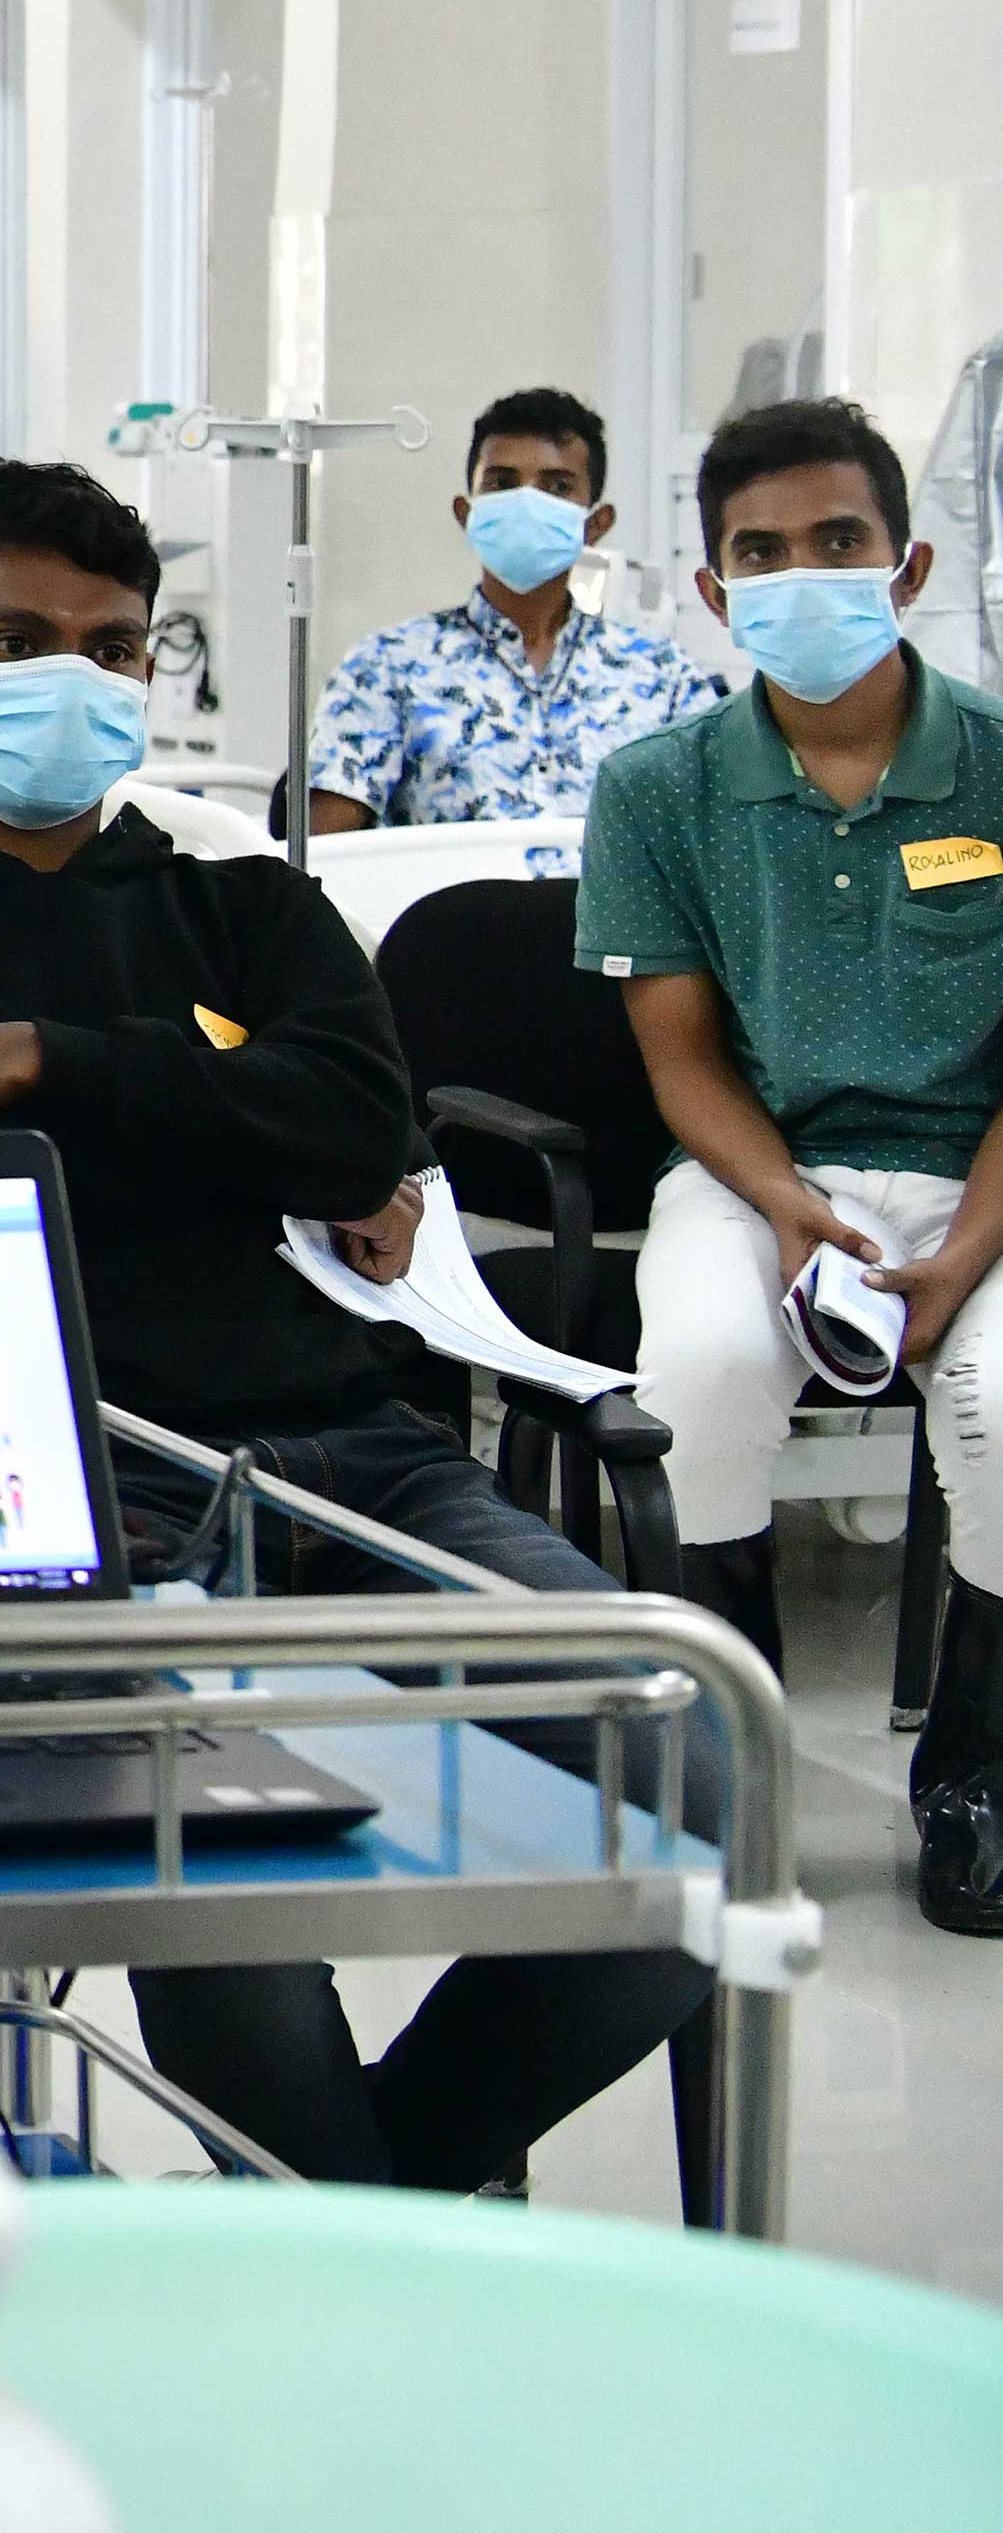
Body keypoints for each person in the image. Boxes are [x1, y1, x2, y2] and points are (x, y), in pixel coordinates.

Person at [0, 455, 717, 2189]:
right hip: (78, 1476)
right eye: (14, 640)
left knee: (695, 1769)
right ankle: (345, 2230)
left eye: (111, 647)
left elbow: (352, 1124)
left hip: (356, 1448)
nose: (72, 677)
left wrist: (23, 1056)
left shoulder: (238, 898)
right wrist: (216, 1096)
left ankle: (362, 2201)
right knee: (220, 1868)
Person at [577, 396, 1003, 1932]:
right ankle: (727, 1762)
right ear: (710, 589)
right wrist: (783, 1206)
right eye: (758, 553)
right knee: (693, 1378)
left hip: (976, 1180)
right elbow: (679, 1059)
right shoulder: (656, 788)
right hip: (752, 1171)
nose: (799, 575)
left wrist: (957, 1257)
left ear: (906, 565)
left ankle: (974, 1778)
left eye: (837, 540)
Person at [304, 387, 725, 834]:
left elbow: (717, 835)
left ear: (596, 525)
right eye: (502, 484)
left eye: (558, 487)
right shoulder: (387, 666)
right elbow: (324, 852)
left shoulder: (663, 676)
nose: (528, 502)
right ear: (467, 515)